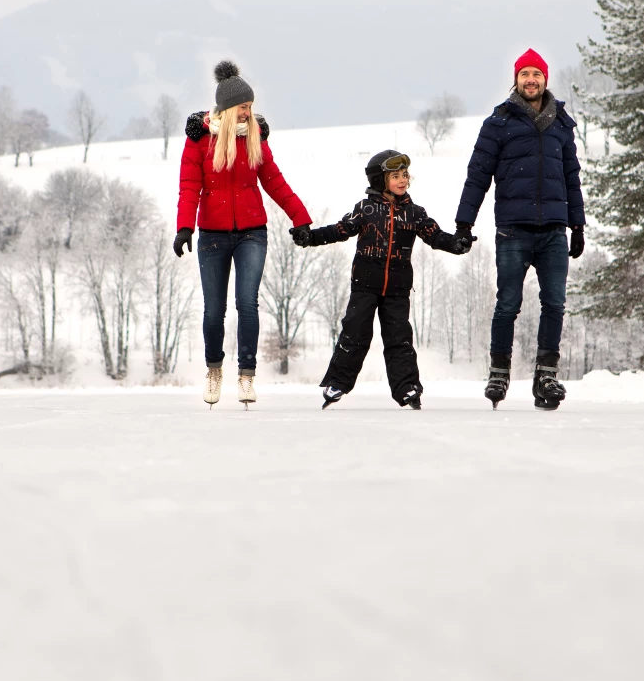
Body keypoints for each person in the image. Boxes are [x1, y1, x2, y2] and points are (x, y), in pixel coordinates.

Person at [452, 48, 586, 410]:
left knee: (554, 303)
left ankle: (546, 375)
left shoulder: (561, 124)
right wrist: (464, 222)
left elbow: (571, 178)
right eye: (524, 74)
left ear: (545, 79)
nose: (531, 80)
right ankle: (499, 370)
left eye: (536, 74)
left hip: (554, 231)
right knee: (507, 304)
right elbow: (477, 176)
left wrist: (578, 224)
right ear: (516, 79)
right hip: (513, 230)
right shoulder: (499, 123)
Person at [175, 60, 312, 408]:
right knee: (213, 310)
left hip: (252, 232)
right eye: (242, 107)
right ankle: (214, 370)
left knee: (247, 304)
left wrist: (300, 219)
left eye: (250, 107)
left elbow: (275, 182)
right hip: (212, 236)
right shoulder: (200, 140)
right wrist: (183, 228)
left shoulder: (255, 138)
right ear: (227, 107)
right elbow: (189, 186)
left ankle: (247, 376)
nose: (247, 113)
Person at [292, 150, 470, 409]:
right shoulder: (365, 209)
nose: (403, 180)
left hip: (397, 289)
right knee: (355, 333)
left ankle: (407, 388)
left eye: (405, 175)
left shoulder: (415, 213)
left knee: (399, 338)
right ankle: (338, 383)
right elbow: (340, 230)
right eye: (395, 176)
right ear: (379, 180)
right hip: (364, 285)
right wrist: (311, 237)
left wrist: (456, 243)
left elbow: (435, 236)